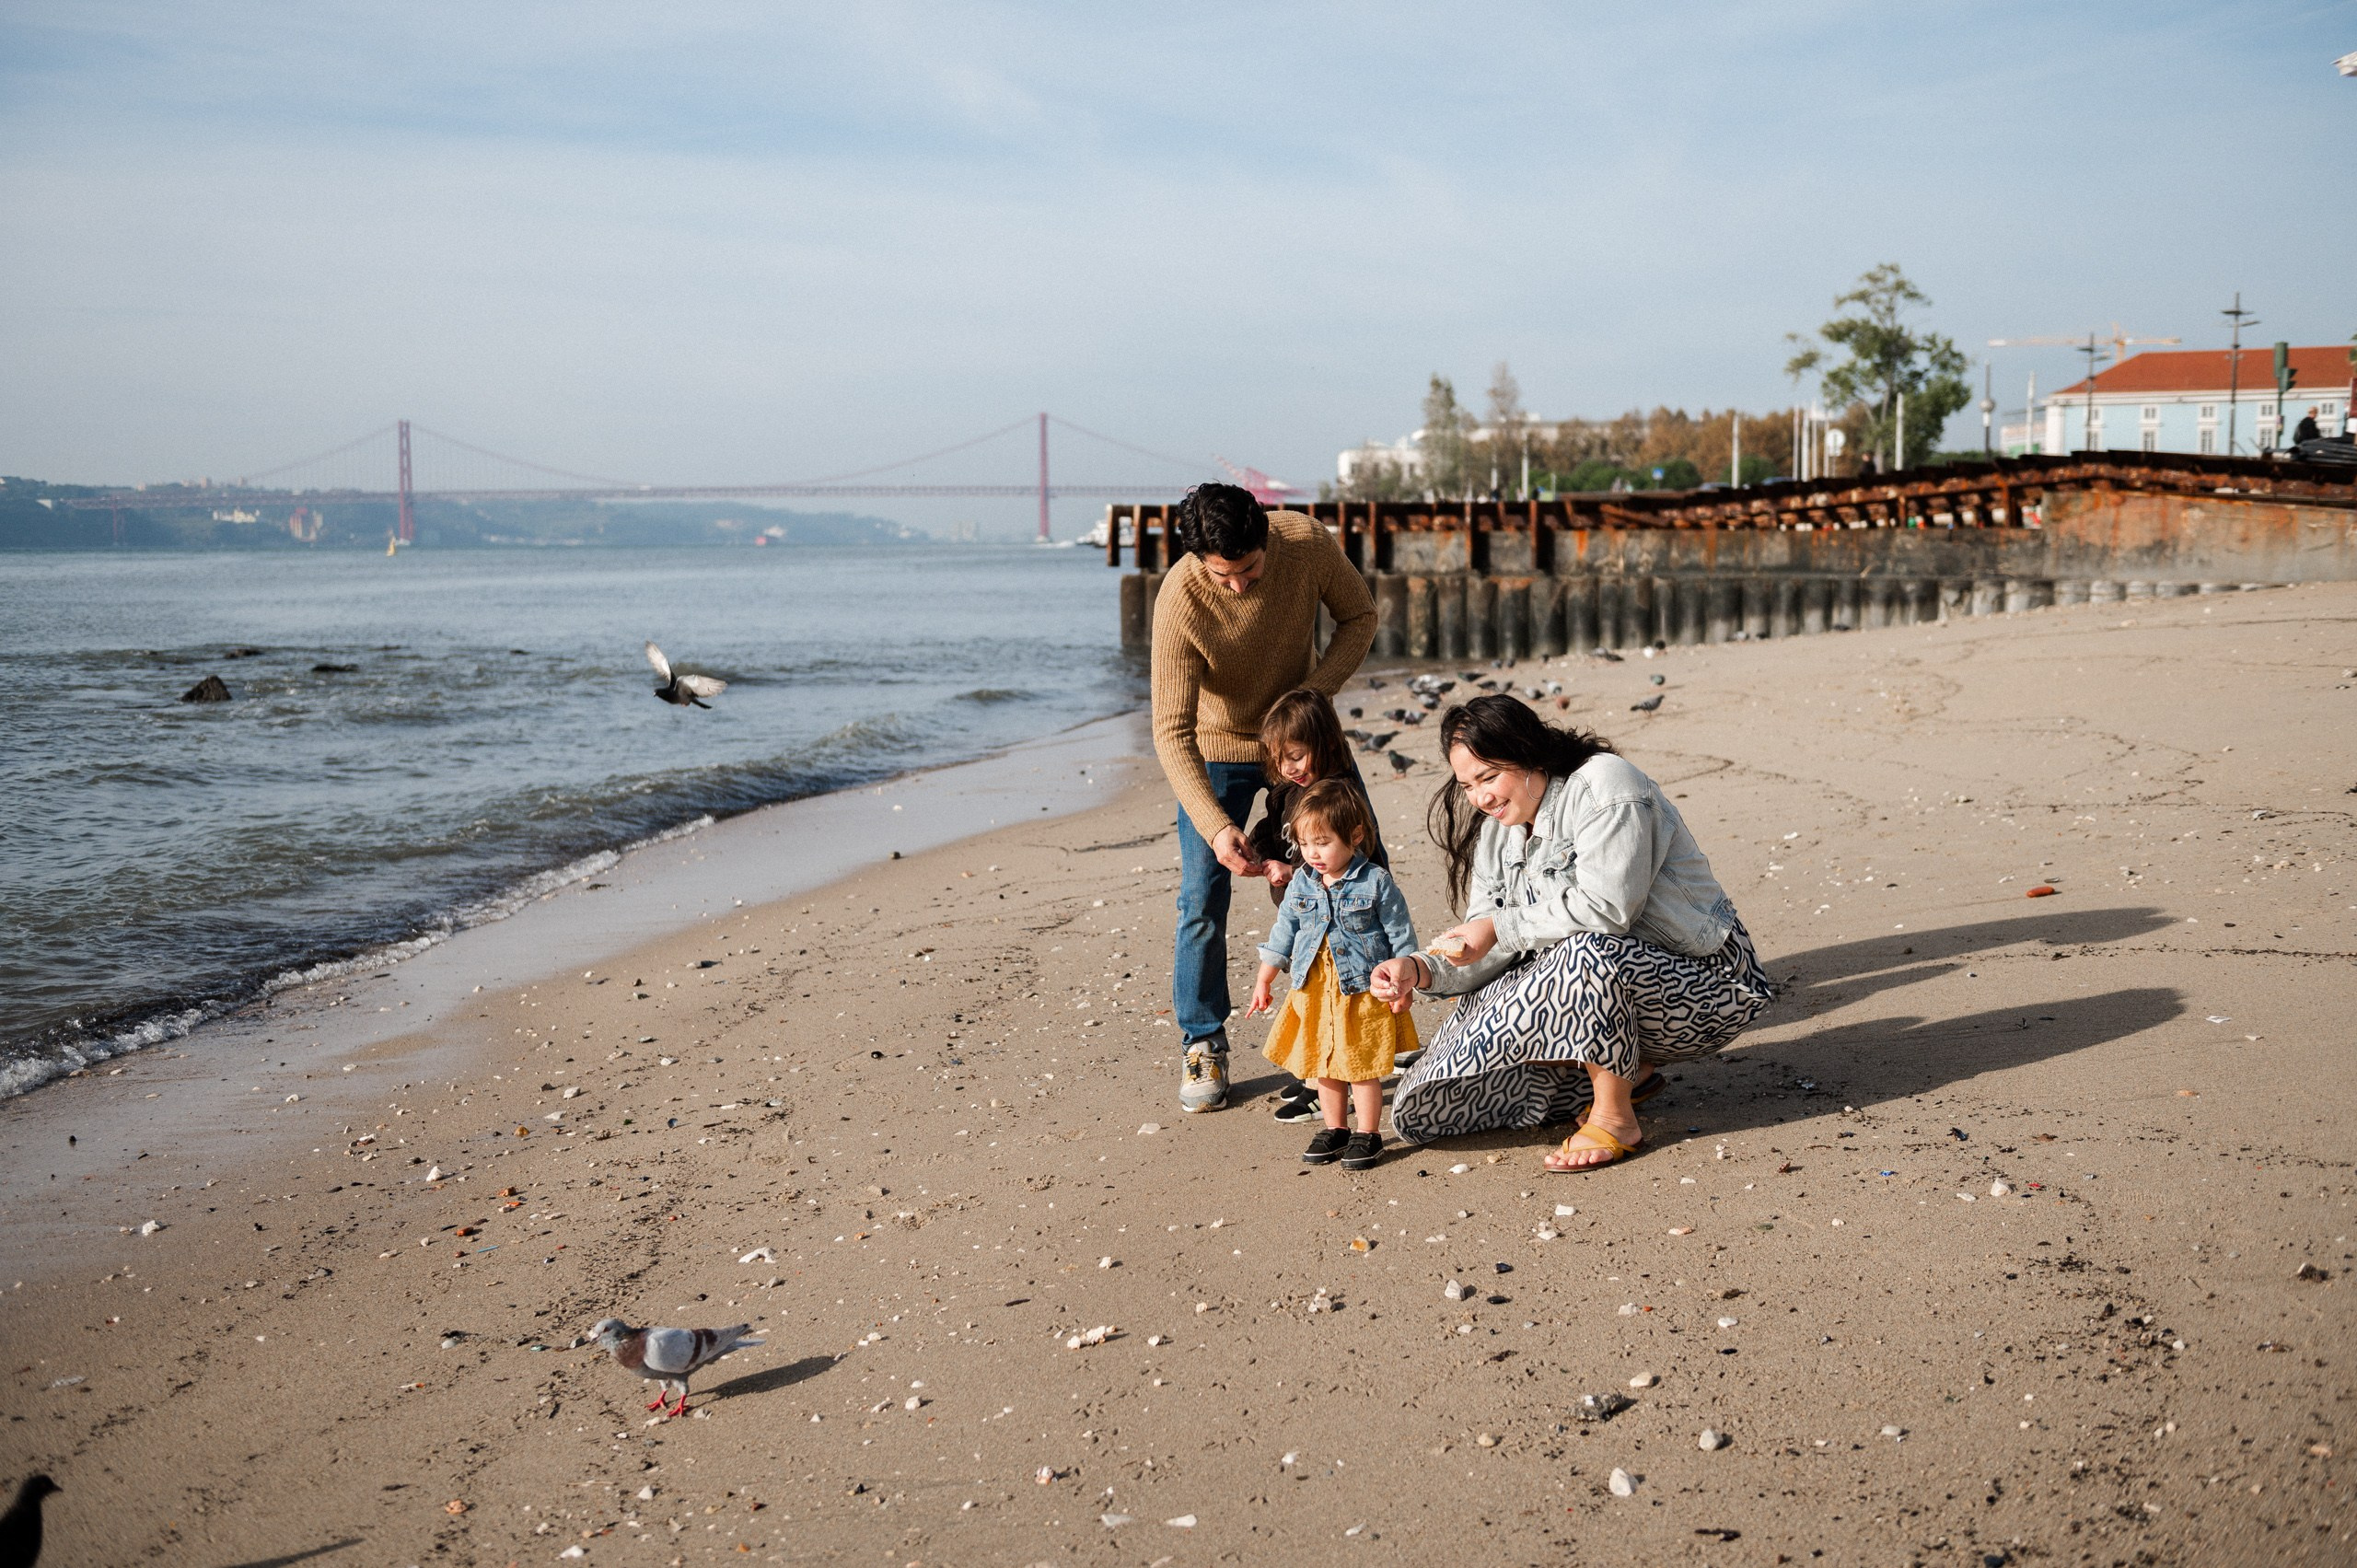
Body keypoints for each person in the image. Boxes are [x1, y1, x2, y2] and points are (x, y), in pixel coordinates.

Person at [1367, 695, 1772, 1172]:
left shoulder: (1606, 785)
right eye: (1467, 785)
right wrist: (1420, 969)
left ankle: (1614, 1114)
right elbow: (1489, 945)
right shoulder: (1498, 831)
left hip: (1708, 984)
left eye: (1489, 776)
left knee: (1585, 952)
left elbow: (1608, 909)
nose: (1480, 798)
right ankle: (1627, 1071)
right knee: (1425, 1106)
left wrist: (1499, 927)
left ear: (1529, 753)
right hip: (1598, 984)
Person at [1152, 482, 1376, 1114]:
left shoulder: (1303, 543)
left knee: (1357, 867)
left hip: (1302, 734)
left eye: (1249, 569)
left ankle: (1365, 1018)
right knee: (1202, 894)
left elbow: (1360, 617)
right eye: (1222, 575)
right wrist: (1218, 826)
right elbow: (1170, 731)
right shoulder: (1180, 599)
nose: (1238, 587)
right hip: (1218, 746)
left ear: (1266, 541)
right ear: (1200, 561)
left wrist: (1309, 700)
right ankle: (1202, 1040)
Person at [1248, 780, 1420, 1171]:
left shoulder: (1375, 882)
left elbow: (1400, 935)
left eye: (1323, 842)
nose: (1313, 853)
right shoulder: (1302, 882)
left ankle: (1369, 1133)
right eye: (1306, 844)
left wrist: (1404, 982)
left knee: (1362, 1065)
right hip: (1313, 988)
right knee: (1324, 1065)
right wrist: (1265, 978)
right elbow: (1284, 931)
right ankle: (1335, 1127)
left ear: (1355, 835)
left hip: (1361, 990)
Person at [1247, 689, 1393, 1122]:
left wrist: (1296, 873)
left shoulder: (1337, 795)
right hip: (1311, 915)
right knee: (1317, 995)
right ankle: (1321, 1076)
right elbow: (1275, 827)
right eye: (1280, 760)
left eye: (1296, 755)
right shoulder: (1290, 789)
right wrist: (1261, 853)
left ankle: (1330, 1081)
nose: (1288, 768)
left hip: (1350, 920)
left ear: (1325, 745)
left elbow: (1351, 862)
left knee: (1343, 1001)